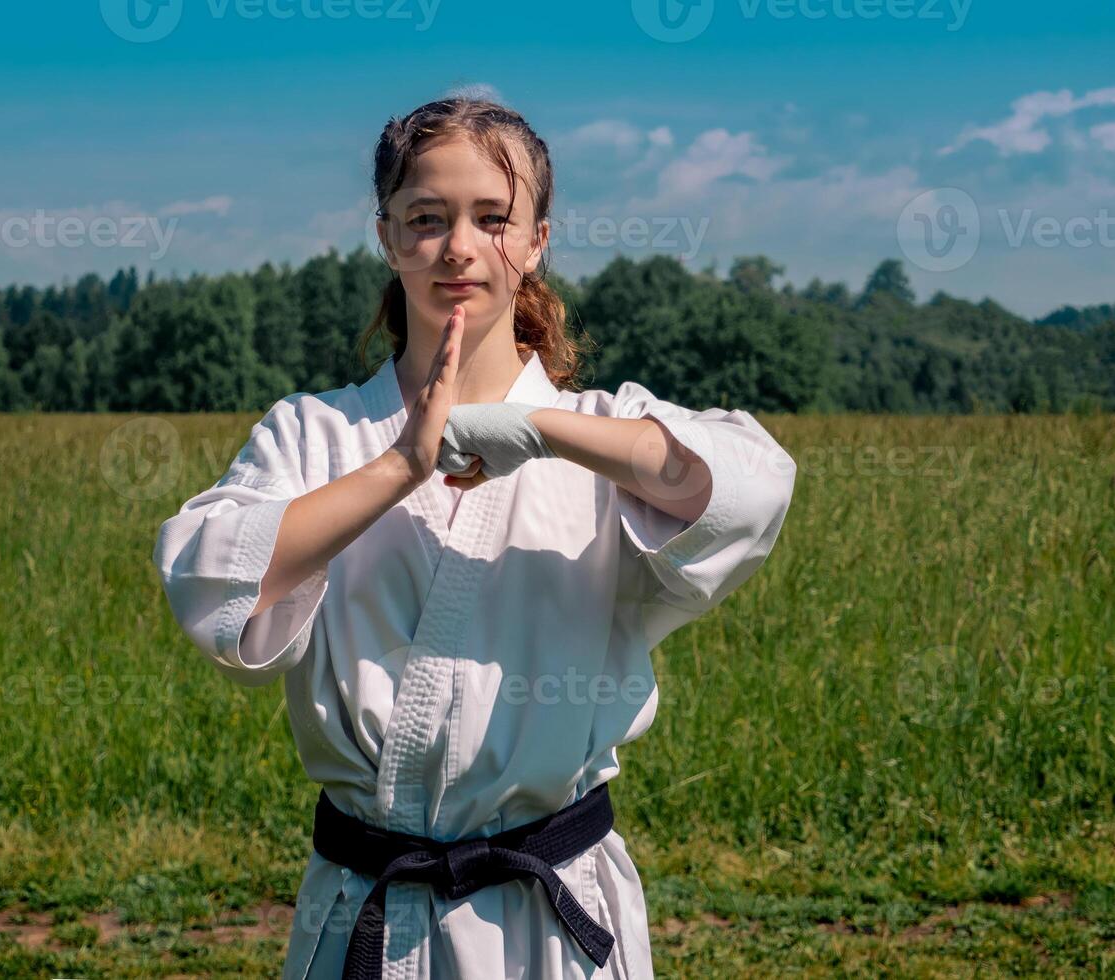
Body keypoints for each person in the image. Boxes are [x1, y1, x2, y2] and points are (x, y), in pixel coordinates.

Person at [152, 96, 797, 980]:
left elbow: (750, 490)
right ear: (386, 235)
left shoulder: (604, 434)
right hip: (369, 910)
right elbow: (211, 583)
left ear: (536, 240)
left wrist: (543, 434)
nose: (458, 247)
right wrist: (399, 467)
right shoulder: (317, 438)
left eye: (493, 219)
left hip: (548, 921)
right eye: (427, 218)